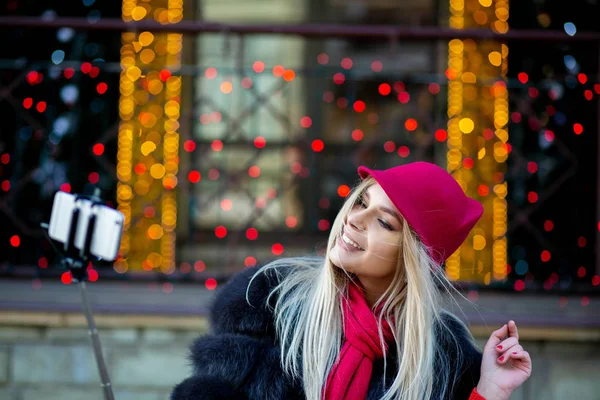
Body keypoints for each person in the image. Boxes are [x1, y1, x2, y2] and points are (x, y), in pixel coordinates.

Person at [171, 161, 532, 400]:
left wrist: (489, 389)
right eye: (362, 202)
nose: (355, 219)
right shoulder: (268, 300)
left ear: (414, 260)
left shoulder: (444, 360)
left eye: (384, 222)